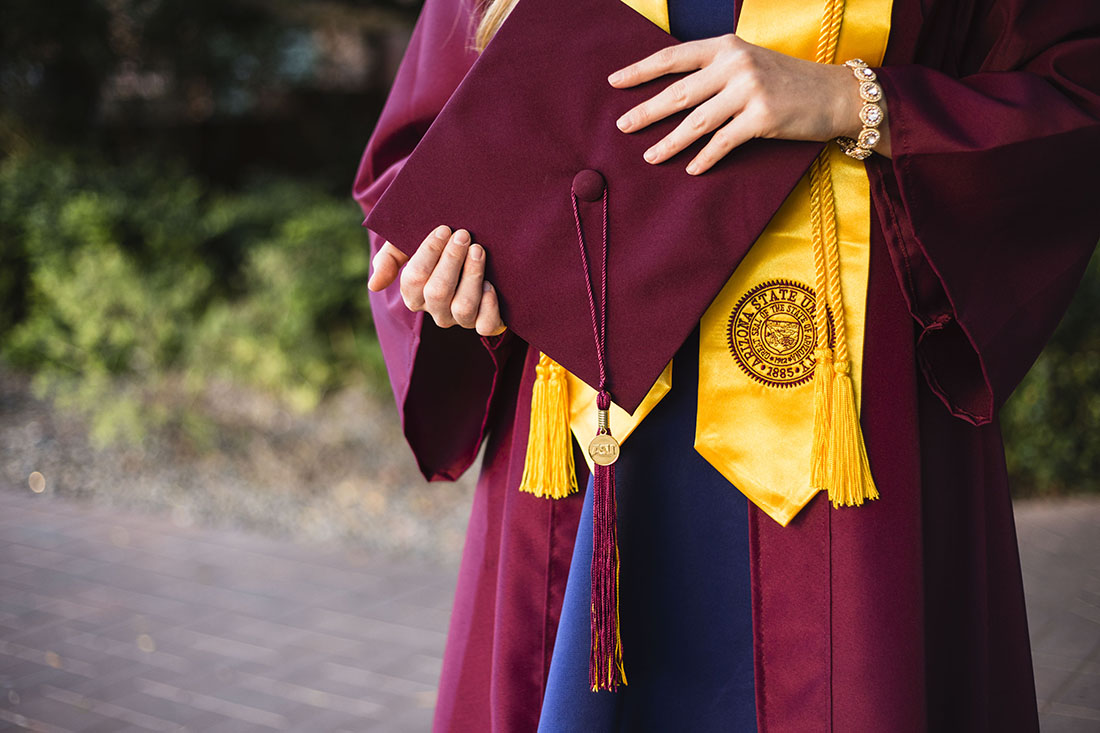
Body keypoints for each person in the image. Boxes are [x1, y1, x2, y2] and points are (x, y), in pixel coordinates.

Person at [353, 0, 1100, 730]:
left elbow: (1076, 94)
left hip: (849, 422)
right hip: (588, 439)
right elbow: (417, 157)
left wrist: (854, 98)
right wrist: (444, 270)